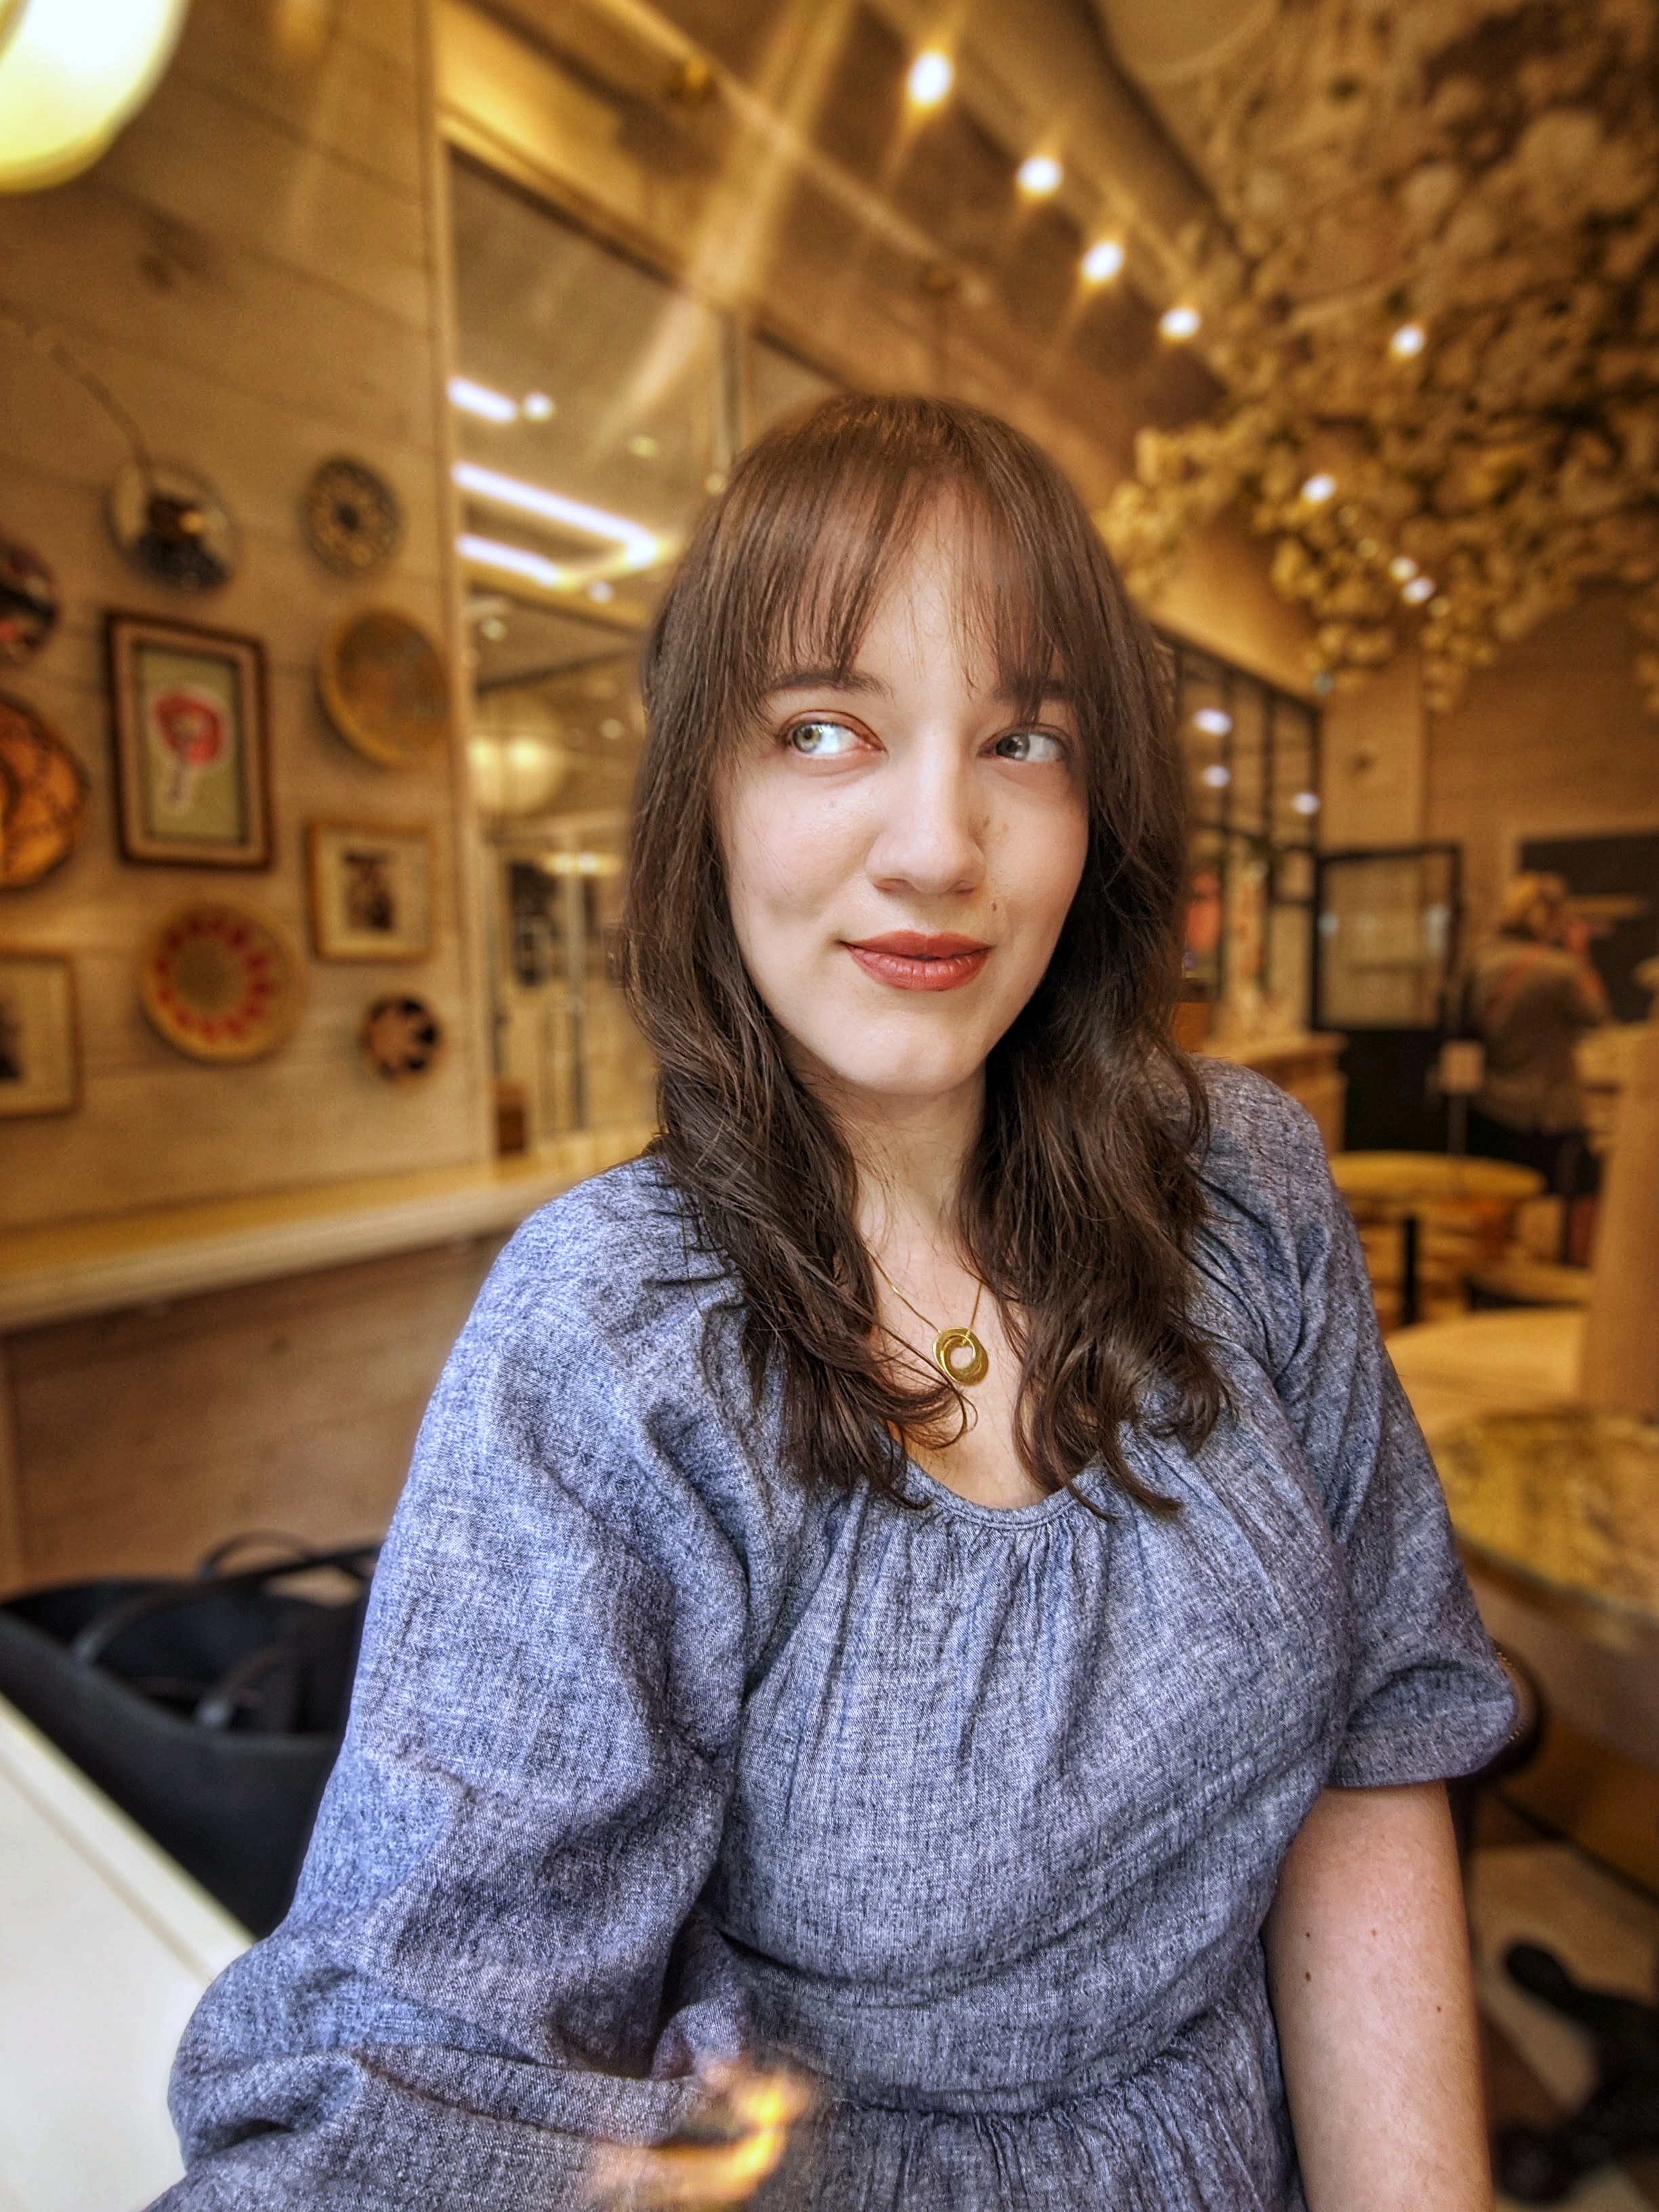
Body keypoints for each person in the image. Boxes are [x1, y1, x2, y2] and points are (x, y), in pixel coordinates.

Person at [157, 396, 1515, 2211]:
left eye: (1020, 739)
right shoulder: (616, 1343)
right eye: (824, 729)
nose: (939, 844)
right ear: (701, 794)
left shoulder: (1244, 1187)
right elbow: (413, 2067)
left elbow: (1378, 1745)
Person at [1464, 872, 1608, 1256]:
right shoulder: (1559, 969)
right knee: (1583, 1194)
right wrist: (1581, 953)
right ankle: (1570, 1281)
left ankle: (1493, 1269)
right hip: (1548, 1109)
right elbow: (1598, 1016)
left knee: (1499, 1200)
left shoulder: (1480, 961)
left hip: (1491, 1103)